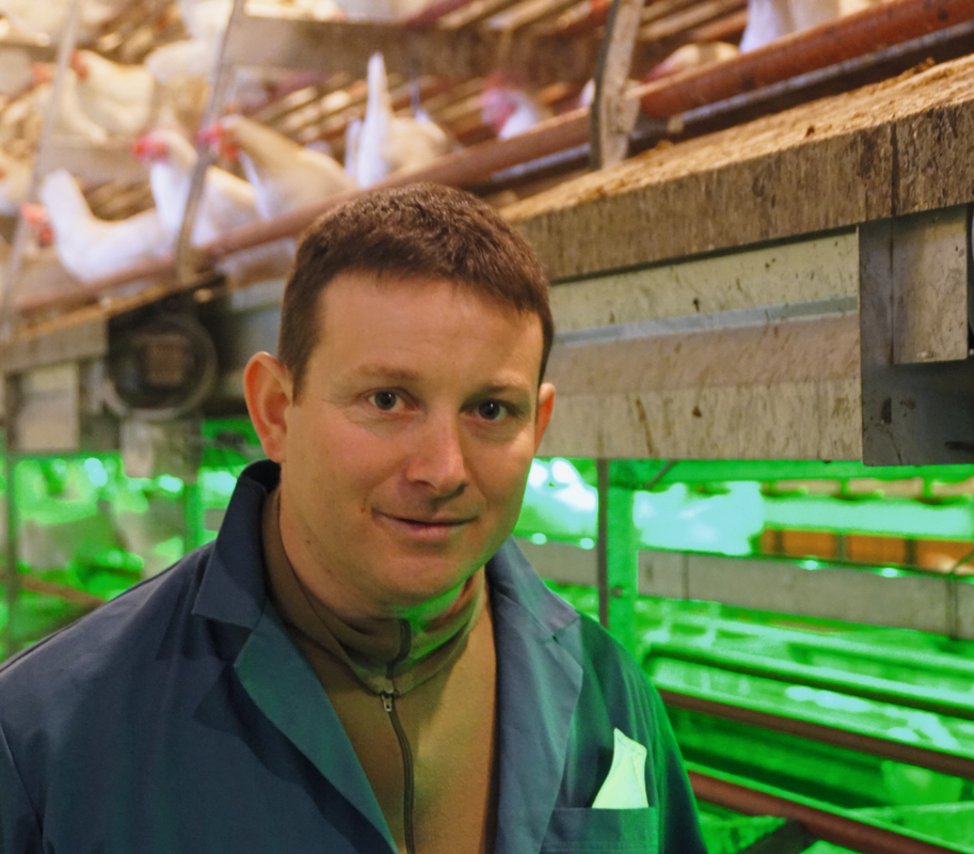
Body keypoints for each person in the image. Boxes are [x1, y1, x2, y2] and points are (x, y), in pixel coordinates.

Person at [0, 183, 708, 853]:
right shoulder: (49, 737)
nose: (444, 469)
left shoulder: (609, 694)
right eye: (388, 401)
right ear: (276, 410)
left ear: (539, 423)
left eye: (490, 410)